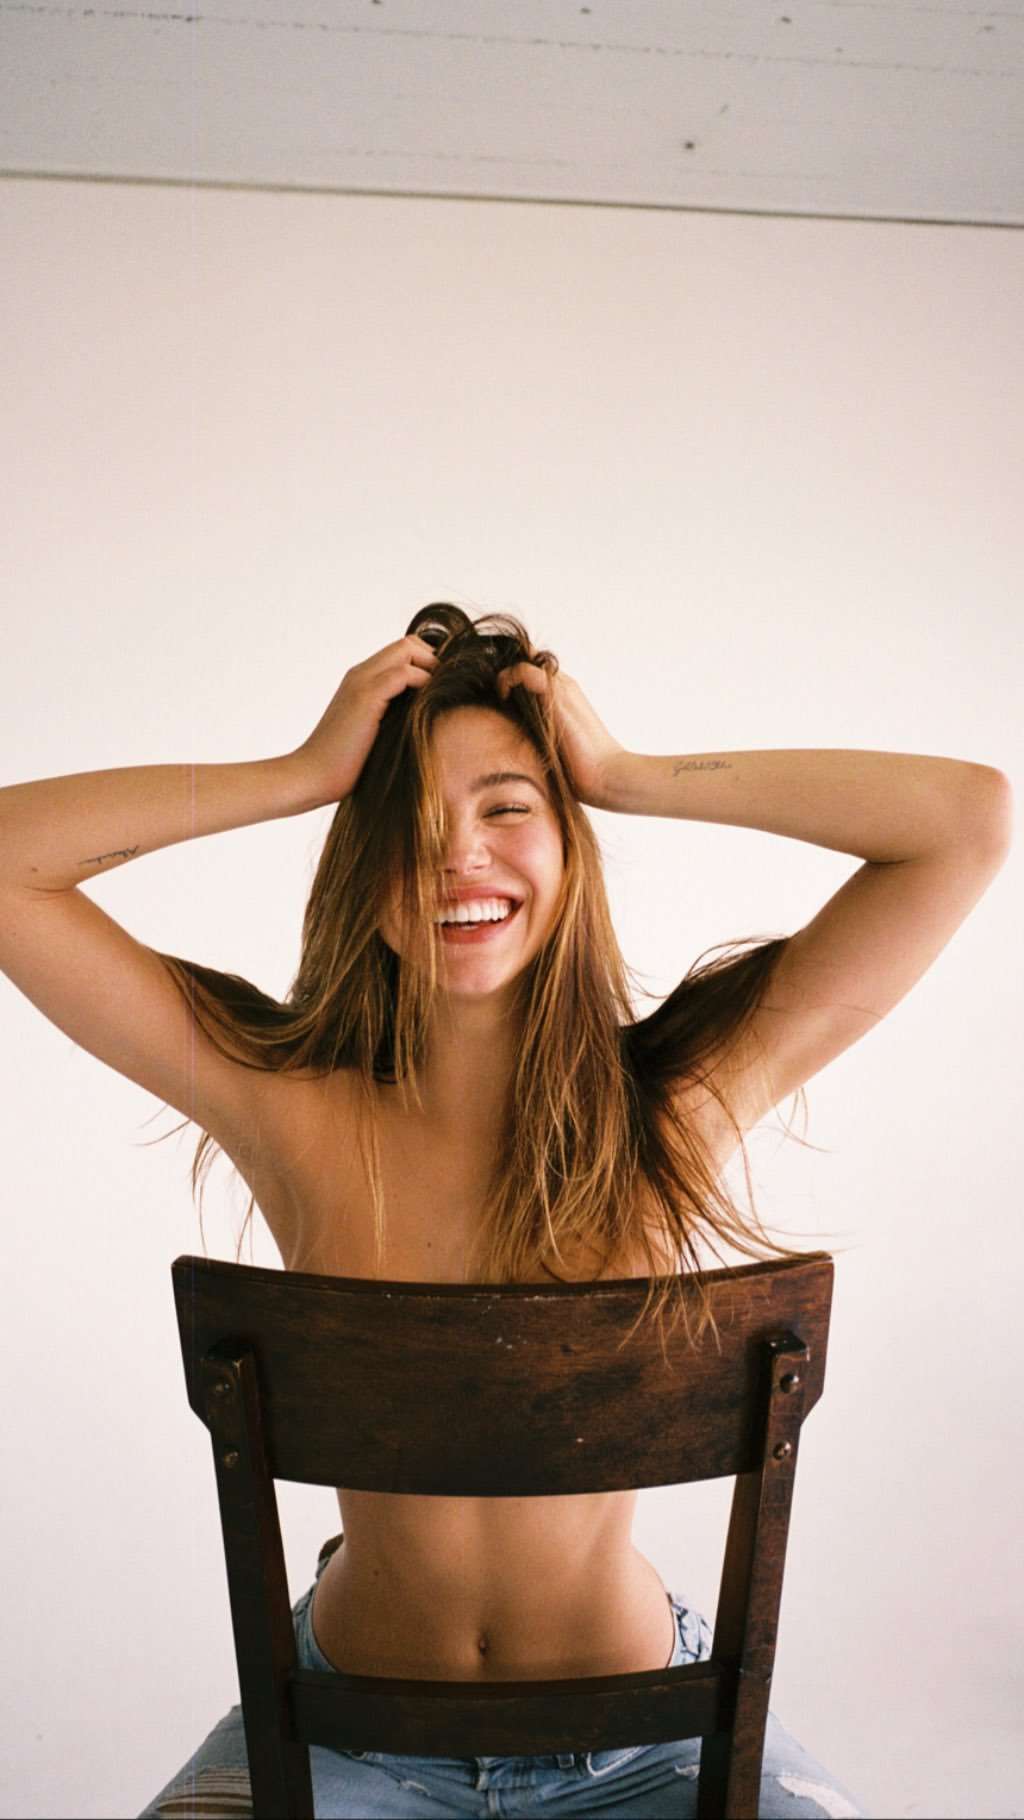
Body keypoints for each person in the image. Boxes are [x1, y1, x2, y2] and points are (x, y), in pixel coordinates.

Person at [0, 605, 1010, 1818]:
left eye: (507, 807)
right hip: (349, 1736)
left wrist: (629, 775)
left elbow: (965, 821)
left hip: (645, 1739)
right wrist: (301, 774)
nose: (458, 857)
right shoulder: (292, 1108)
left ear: (571, 845)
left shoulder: (672, 1108)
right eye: (407, 826)